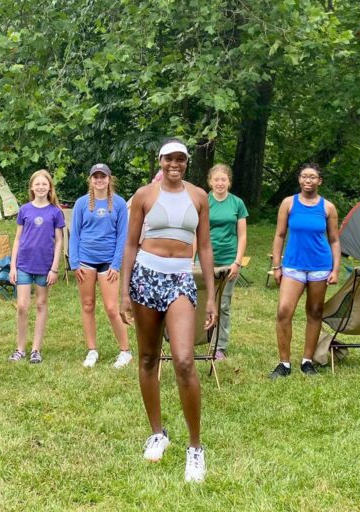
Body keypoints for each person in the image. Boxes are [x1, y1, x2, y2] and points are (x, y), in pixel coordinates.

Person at [121, 139, 216, 483]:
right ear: (159, 161)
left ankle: (195, 448)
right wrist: (123, 293)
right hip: (146, 276)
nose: (174, 164)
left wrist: (213, 296)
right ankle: (158, 433)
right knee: (147, 359)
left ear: (187, 163)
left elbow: (203, 246)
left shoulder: (199, 197)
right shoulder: (145, 195)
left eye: (180, 159)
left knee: (184, 360)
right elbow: (131, 243)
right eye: (168, 159)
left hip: (179, 279)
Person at [269, 163, 341, 378]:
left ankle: (307, 361)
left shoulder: (328, 207)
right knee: (284, 311)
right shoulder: (288, 203)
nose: (307, 180)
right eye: (304, 176)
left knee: (315, 312)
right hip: (293, 266)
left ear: (319, 181)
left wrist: (335, 269)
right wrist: (276, 265)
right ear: (299, 180)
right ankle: (284, 363)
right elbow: (279, 235)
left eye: (312, 177)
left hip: (320, 266)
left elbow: (335, 240)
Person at [69, 163, 132, 369]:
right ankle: (92, 350)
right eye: (95, 177)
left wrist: (116, 263)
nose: (99, 180)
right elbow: (75, 233)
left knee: (112, 308)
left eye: (102, 177)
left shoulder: (120, 204)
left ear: (109, 179)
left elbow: (123, 235)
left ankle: (125, 351)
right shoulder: (81, 203)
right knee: (87, 305)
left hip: (108, 262)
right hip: (86, 260)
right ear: (90, 180)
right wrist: (74, 262)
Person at [8, 169, 65, 364]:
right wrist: (12, 266)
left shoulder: (55, 212)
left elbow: (59, 241)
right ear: (32, 187)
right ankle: (20, 348)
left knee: (41, 304)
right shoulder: (24, 209)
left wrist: (55, 268)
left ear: (50, 187)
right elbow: (17, 238)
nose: (41, 187)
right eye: (37, 184)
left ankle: (36, 350)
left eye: (44, 184)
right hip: (24, 263)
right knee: (23, 306)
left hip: (45, 265)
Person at [207, 164, 248, 361]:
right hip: (204, 262)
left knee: (223, 305)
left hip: (228, 261)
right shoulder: (204, 201)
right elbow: (196, 233)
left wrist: (237, 262)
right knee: (201, 303)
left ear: (229, 182)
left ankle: (219, 346)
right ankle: (200, 338)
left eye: (224, 179)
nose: (220, 183)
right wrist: (192, 259)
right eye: (217, 179)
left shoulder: (237, 203)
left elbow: (242, 236)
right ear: (210, 182)